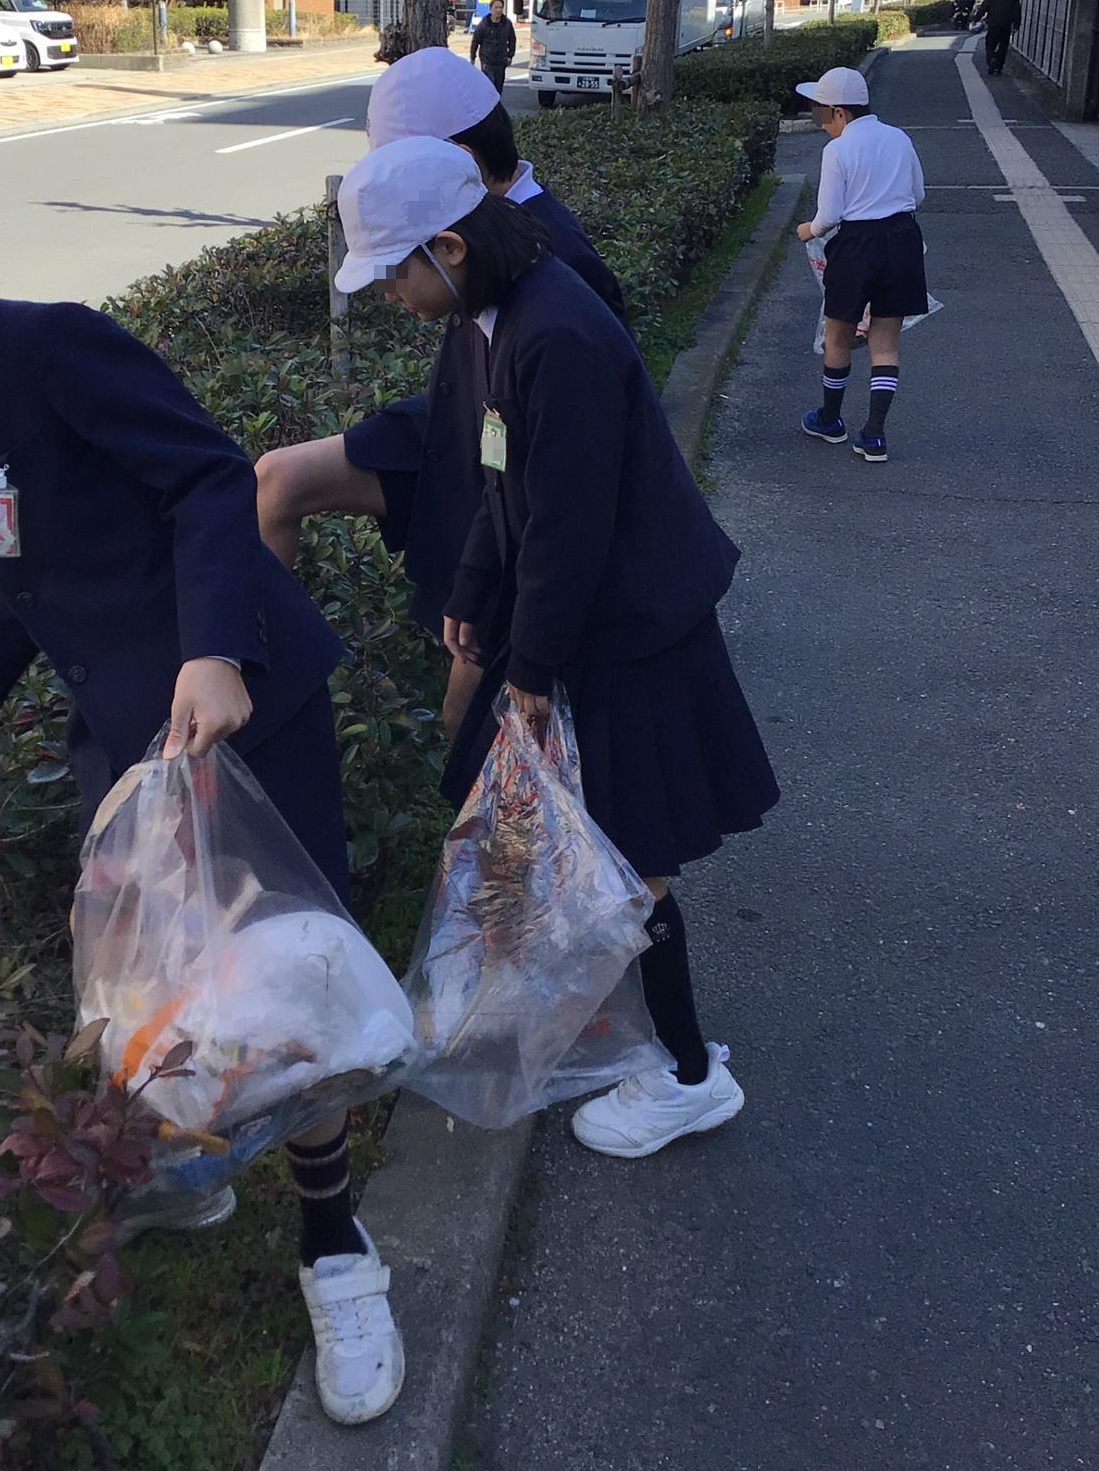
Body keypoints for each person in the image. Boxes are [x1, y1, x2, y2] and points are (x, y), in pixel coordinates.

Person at [0, 157, 404, 1430]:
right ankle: (200, 1158)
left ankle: (339, 1252)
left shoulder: (48, 349)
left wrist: (213, 646)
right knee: (156, 971)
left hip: (238, 697)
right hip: (129, 721)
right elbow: (28, 576)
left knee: (286, 976)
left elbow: (212, 477)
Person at [333, 135, 780, 1159]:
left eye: (396, 271)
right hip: (594, 618)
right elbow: (500, 473)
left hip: (629, 627)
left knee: (636, 856)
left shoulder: (556, 333)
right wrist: (474, 591)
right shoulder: (493, 320)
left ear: (447, 245)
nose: (392, 293)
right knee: (602, 841)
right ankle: (639, 1038)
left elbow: (571, 526)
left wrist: (526, 671)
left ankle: (687, 1073)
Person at [255, 48, 627, 740]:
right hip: (467, 427)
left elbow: (570, 484)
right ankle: (266, 691)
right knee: (276, 478)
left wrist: (522, 646)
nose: (392, 294)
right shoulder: (482, 244)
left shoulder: (551, 273)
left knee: (475, 718)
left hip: (497, 457)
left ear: (453, 162)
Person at [795, 65, 927, 464]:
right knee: (885, 343)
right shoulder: (899, 138)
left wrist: (806, 229)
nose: (820, 123)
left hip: (856, 246)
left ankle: (831, 420)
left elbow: (829, 216)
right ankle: (874, 435)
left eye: (821, 113)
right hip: (903, 240)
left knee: (837, 335)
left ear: (839, 112)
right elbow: (917, 194)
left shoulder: (837, 149)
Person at [973, 0, 1022, 75]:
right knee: (1003, 46)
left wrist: (976, 18)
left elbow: (984, 7)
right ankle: (998, 65)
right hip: (1006, 25)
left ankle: (991, 60)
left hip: (993, 23)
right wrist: (1017, 25)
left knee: (990, 44)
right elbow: (1017, 12)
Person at [470, 0, 516, 96]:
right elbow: (475, 41)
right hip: (487, 61)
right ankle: (489, 110)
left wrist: (510, 56)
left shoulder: (507, 24)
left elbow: (512, 40)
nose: (498, 10)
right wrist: (472, 58)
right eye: (496, 7)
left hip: (501, 62)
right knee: (489, 87)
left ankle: (496, 109)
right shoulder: (484, 24)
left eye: (500, 7)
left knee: (498, 88)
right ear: (491, 9)